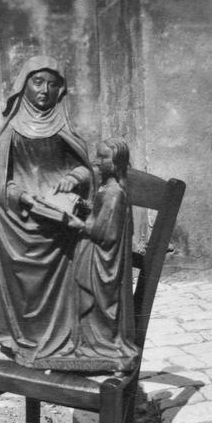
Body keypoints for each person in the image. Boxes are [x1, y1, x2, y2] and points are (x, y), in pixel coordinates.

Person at [0, 56, 94, 369]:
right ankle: (28, 344)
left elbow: (87, 169)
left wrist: (74, 178)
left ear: (60, 89)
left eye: (52, 83)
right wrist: (26, 198)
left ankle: (65, 345)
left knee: (66, 291)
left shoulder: (63, 127)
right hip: (21, 229)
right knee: (27, 291)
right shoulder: (11, 132)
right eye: (38, 82)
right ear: (25, 85)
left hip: (61, 228)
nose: (45, 89)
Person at [67, 138, 140, 373]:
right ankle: (89, 344)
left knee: (98, 304)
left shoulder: (115, 193)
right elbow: (102, 216)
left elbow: (105, 233)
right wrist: (88, 209)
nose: (97, 161)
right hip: (95, 256)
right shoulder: (106, 188)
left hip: (103, 261)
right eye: (97, 155)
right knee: (87, 303)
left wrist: (77, 223)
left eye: (104, 157)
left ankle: (101, 346)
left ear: (117, 162)